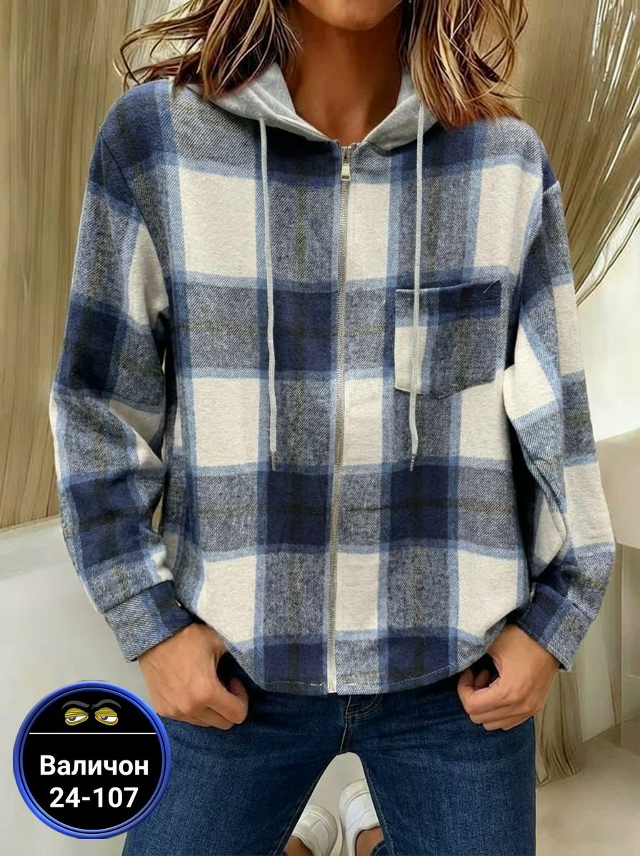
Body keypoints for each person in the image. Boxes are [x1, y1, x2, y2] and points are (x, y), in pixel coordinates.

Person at [48, 0, 617, 854]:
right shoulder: (157, 143)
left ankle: (363, 834)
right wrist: (152, 626)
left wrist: (553, 625)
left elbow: (555, 418)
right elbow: (99, 406)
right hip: (236, 672)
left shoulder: (504, 163)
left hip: (454, 678)